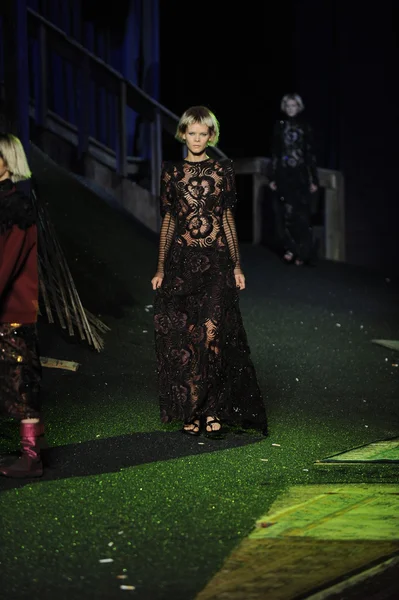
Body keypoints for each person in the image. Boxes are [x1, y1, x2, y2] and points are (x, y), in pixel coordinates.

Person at [151, 106, 268, 438]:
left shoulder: (221, 170)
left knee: (213, 335)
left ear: (211, 136)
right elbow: (170, 222)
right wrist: (160, 267)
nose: (198, 138)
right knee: (187, 336)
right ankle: (192, 408)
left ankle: (213, 409)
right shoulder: (172, 173)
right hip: (181, 262)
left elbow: (226, 220)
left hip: (216, 262)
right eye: (192, 133)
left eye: (204, 133)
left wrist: (237, 266)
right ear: (183, 134)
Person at [0, 133, 44, 478]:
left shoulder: (18, 207)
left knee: (22, 379)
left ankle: (31, 456)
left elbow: (6, 264)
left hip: (12, 310)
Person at [268, 93, 319, 266]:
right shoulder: (279, 126)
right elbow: (275, 153)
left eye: (294, 106)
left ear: (299, 107)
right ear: (285, 107)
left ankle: (303, 252)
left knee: (301, 214)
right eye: (288, 106)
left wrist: (314, 179)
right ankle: (290, 248)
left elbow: (310, 154)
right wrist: (273, 177)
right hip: (284, 174)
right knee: (286, 212)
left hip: (301, 175)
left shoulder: (305, 127)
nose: (291, 109)